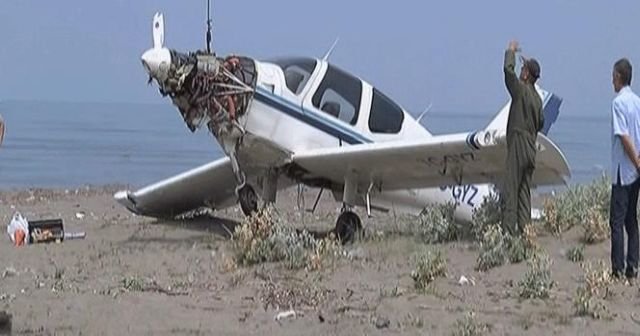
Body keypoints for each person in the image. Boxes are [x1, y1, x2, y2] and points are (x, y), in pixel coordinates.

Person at [501, 40, 544, 236]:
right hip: (530, 148)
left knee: (510, 189)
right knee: (524, 193)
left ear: (526, 74)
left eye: (522, 68)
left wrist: (510, 52)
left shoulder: (521, 92)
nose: (520, 70)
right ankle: (527, 235)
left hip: (518, 144)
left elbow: (508, 73)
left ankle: (509, 235)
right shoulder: (537, 99)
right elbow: (541, 123)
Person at [609, 58, 640, 280]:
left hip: (624, 170)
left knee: (617, 221)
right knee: (632, 220)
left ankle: (618, 268)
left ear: (619, 77)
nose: (612, 80)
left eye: (613, 76)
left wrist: (636, 162)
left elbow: (624, 137)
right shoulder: (638, 102)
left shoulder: (618, 103)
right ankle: (633, 265)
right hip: (636, 170)